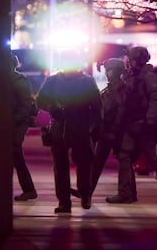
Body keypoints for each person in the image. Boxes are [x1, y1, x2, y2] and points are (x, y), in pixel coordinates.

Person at [106, 46, 157, 204]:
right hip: (132, 123)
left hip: (143, 125)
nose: (128, 62)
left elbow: (155, 101)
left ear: (136, 60)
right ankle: (126, 193)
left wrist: (149, 122)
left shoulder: (148, 77)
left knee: (152, 159)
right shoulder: (133, 76)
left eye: (131, 59)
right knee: (124, 156)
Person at [36, 57, 102, 213]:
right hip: (61, 126)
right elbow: (40, 100)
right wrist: (53, 107)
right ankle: (65, 202)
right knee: (61, 167)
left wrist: (96, 126)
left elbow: (97, 107)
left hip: (80, 127)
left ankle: (84, 194)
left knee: (83, 164)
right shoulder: (53, 80)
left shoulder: (86, 81)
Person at [70, 58, 130, 199]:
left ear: (115, 71)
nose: (106, 72)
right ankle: (87, 191)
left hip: (113, 131)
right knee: (97, 161)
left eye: (108, 70)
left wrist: (114, 130)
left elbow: (120, 111)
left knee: (121, 161)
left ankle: (125, 193)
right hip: (106, 129)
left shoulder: (121, 89)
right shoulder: (110, 88)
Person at [10, 53, 38, 201]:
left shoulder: (18, 80)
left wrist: (13, 121)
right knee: (14, 156)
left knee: (16, 155)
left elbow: (25, 106)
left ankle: (29, 189)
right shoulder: (7, 80)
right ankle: (29, 190)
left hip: (17, 124)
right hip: (11, 123)